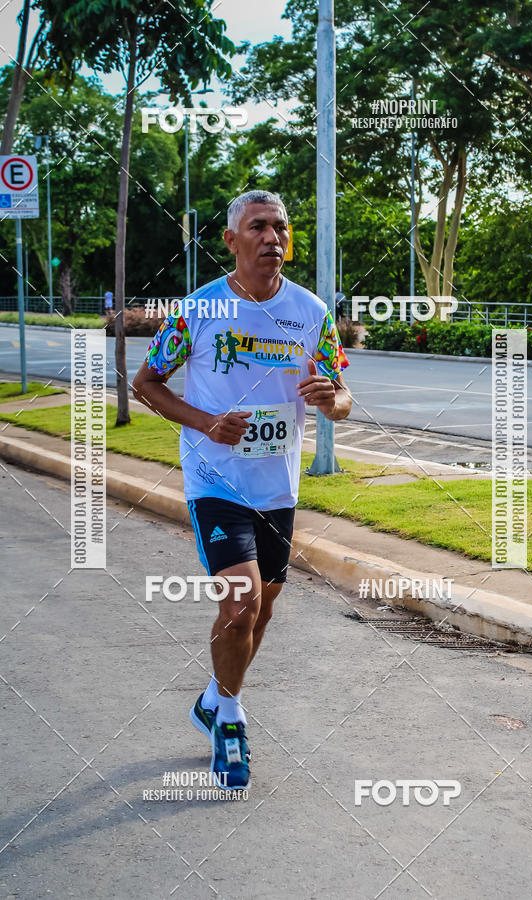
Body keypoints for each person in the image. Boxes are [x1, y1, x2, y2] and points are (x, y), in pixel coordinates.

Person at [132, 190, 352, 790]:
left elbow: (342, 397)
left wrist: (334, 399)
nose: (272, 238)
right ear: (230, 241)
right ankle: (229, 719)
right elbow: (146, 382)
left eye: (280, 228)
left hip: (278, 488)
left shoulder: (312, 312)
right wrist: (206, 423)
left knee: (263, 610)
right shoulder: (198, 311)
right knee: (243, 602)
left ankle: (211, 697)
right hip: (216, 480)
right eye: (258, 227)